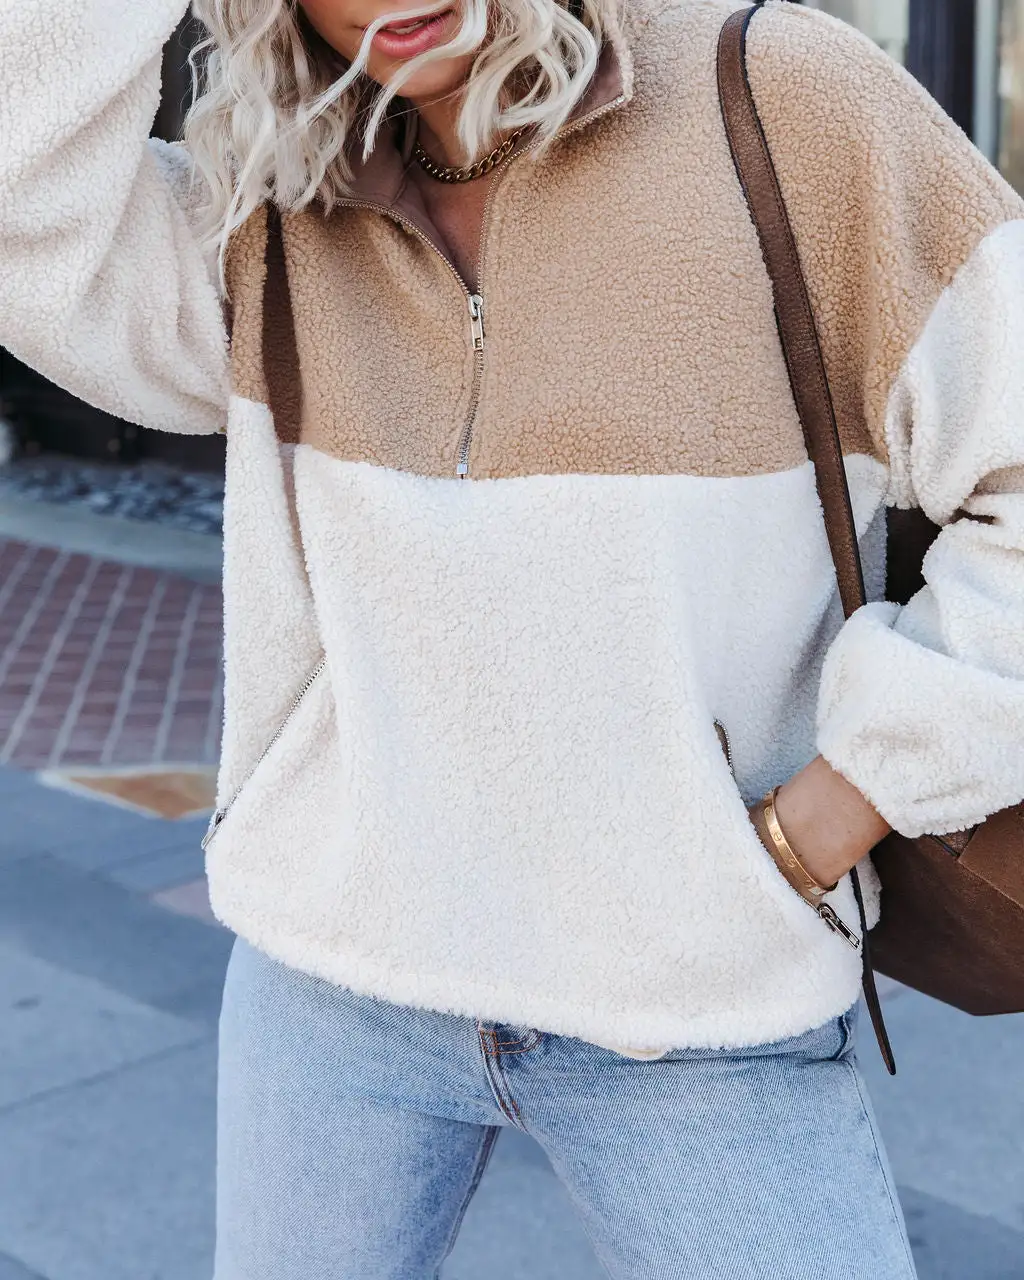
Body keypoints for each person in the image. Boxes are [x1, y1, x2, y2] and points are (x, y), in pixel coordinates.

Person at [2, 0, 1023, 1274]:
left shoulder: (780, 98)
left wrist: (829, 813)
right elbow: (21, 195)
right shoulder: (274, 199)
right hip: (335, 980)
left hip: (696, 1002)